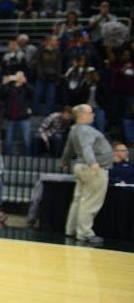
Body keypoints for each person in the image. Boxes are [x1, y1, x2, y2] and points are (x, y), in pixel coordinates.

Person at [59, 104, 113, 246]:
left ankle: (70, 229)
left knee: (78, 199)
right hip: (93, 169)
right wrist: (92, 163)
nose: (93, 115)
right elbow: (86, 147)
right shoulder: (85, 130)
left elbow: (68, 148)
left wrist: (64, 161)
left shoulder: (74, 130)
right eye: (90, 113)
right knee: (90, 201)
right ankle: (84, 233)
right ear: (82, 115)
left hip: (81, 167)